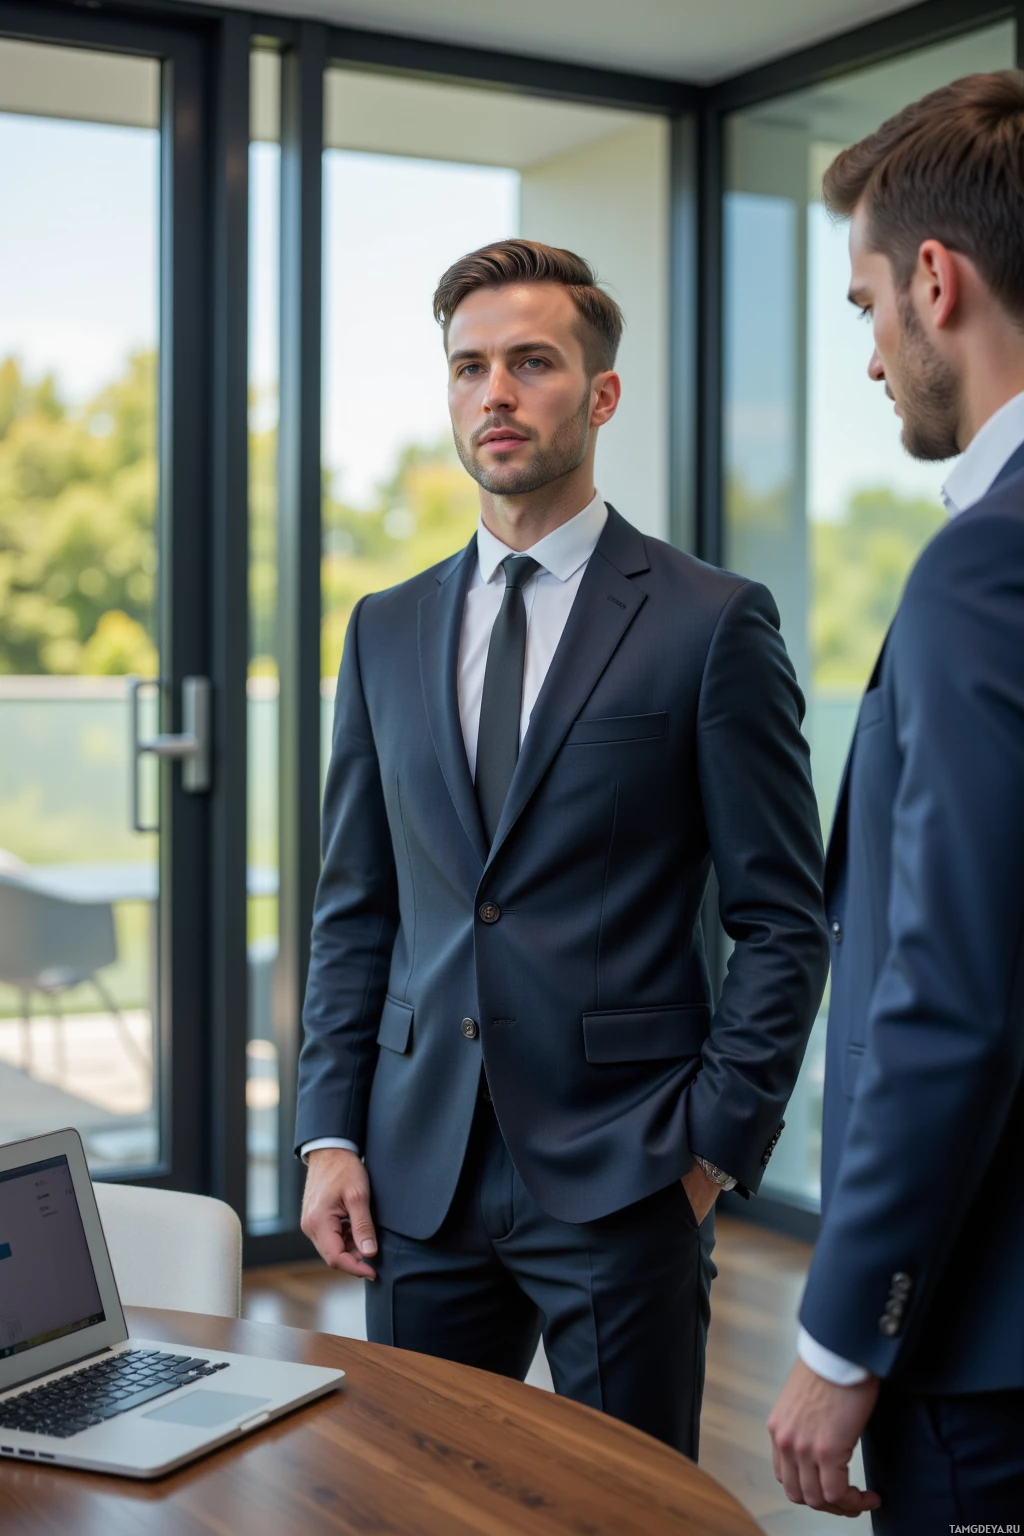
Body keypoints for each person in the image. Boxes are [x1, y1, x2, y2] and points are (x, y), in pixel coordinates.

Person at [297, 238, 829, 1458]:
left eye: (531, 362)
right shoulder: (384, 629)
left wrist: (709, 1149)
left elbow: (783, 918)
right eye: (468, 366)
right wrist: (330, 1130)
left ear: (600, 395)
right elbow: (354, 906)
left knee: (626, 1508)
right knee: (413, 1495)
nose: (495, 392)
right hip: (415, 1169)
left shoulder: (709, 623)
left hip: (626, 1169)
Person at [768, 72, 1024, 1527]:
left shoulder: (984, 568)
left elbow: (955, 989)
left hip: (986, 1346)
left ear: (937, 280)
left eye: (865, 304)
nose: (870, 355)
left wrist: (842, 1329)